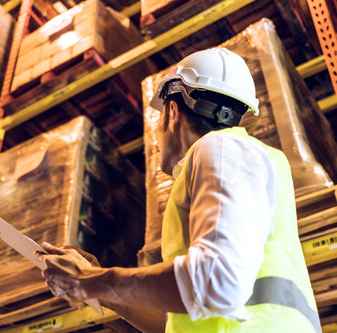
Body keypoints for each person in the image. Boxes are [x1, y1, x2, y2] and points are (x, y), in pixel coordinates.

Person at [34, 48, 321, 332]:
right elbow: (181, 319)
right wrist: (98, 288)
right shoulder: (250, 160)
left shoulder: (219, 148)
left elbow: (215, 281)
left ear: (173, 112)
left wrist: (89, 279)